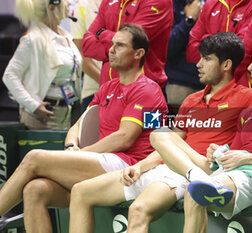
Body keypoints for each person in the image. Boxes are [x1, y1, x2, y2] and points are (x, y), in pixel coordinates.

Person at [68, 32, 252, 233]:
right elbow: (170, 143)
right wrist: (140, 166)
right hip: (169, 167)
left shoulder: (249, 97)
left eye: (207, 59)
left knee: (138, 209)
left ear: (226, 65)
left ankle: (196, 177)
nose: (198, 64)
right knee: (81, 191)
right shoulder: (191, 100)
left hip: (202, 170)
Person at [0, 23, 167, 233]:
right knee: (35, 189)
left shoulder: (147, 90)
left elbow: (124, 138)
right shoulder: (108, 87)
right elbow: (78, 124)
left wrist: (83, 153)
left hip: (128, 164)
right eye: (111, 44)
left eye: (120, 45)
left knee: (34, 157)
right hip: (100, 161)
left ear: (138, 53)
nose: (111, 50)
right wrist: (71, 146)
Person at [150, 39, 252, 232]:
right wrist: (220, 153)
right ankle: (198, 177)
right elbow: (236, 153)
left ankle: (206, 184)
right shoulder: (248, 113)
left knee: (194, 192)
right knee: (159, 134)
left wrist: (249, 159)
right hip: (233, 171)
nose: (251, 68)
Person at [2, 0, 82, 130]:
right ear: (51, 8)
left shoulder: (65, 36)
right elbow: (9, 75)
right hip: (44, 116)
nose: (69, 3)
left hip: (67, 112)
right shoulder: (33, 39)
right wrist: (33, 105)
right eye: (64, 1)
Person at [81, 0, 173, 88]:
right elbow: (86, 44)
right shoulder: (108, 1)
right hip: (108, 91)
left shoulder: (159, 1)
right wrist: (118, 48)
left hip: (143, 90)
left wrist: (102, 33)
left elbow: (132, 39)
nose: (113, 49)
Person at [186, 0, 252, 66]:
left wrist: (205, 39)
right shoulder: (211, 3)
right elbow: (192, 53)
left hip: (241, 78)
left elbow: (240, 53)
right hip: (211, 77)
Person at [165, 0, 205, 104]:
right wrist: (189, 20)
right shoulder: (169, 4)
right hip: (180, 83)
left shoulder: (215, 3)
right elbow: (168, 47)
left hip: (211, 84)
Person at [70, 0, 102, 112]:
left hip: (136, 88)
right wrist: (108, 82)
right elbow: (79, 54)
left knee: (149, 128)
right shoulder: (83, 6)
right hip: (94, 90)